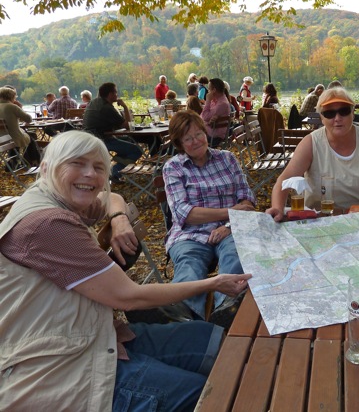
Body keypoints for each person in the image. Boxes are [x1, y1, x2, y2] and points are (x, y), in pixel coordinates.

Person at [0, 130, 251, 411]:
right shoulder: (47, 224)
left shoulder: (54, 196)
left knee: (210, 339)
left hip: (91, 335)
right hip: (58, 368)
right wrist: (213, 284)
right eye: (77, 163)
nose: (90, 175)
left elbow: (113, 197)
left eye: (98, 167)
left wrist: (119, 219)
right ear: (47, 167)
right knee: (207, 395)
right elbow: (129, 298)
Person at [266, 87, 359, 220]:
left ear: (353, 113)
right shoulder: (310, 143)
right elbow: (285, 180)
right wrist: (278, 208)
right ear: (321, 117)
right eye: (329, 113)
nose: (337, 118)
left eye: (344, 111)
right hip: (321, 219)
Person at [163, 111, 255, 321]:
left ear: (206, 133)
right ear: (179, 143)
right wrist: (231, 212)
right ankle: (185, 316)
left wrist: (230, 225)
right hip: (190, 234)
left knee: (235, 254)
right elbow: (183, 214)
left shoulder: (227, 158)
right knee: (189, 263)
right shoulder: (174, 167)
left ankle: (227, 310)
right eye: (188, 138)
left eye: (199, 134)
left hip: (229, 229)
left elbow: (247, 200)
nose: (196, 141)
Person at [83, 82, 143, 182]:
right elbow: (127, 125)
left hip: (89, 138)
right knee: (137, 150)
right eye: (116, 92)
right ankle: (113, 172)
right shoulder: (106, 108)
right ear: (110, 94)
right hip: (101, 140)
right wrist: (125, 107)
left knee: (129, 140)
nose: (117, 95)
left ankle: (119, 161)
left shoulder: (94, 102)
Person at [201, 78, 231, 146]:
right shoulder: (216, 101)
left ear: (214, 90)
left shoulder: (221, 104)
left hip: (214, 137)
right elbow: (204, 117)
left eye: (209, 89)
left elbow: (204, 117)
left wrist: (207, 100)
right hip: (210, 132)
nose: (208, 91)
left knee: (186, 136)